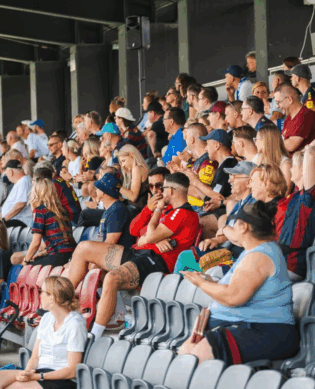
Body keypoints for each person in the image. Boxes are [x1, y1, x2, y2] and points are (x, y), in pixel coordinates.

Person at [67, 173, 200, 338]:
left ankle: (94, 334)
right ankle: (63, 299)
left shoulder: (184, 213)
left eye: (162, 188)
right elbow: (134, 230)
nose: (158, 192)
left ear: (171, 190)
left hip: (155, 261)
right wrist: (149, 211)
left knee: (111, 278)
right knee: (83, 248)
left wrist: (156, 215)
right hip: (139, 252)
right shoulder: (169, 211)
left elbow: (150, 236)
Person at [177, 201, 299, 365]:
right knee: (184, 355)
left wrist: (201, 283)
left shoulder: (260, 255)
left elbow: (233, 297)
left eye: (234, 224)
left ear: (244, 227)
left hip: (266, 331)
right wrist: (210, 281)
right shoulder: (255, 251)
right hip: (249, 326)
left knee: (192, 361)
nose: (231, 228)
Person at [0, 276, 86, 389]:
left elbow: (72, 370)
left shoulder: (75, 323)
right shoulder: (47, 318)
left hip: (62, 380)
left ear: (52, 298)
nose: (39, 295)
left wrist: (37, 377)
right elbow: (35, 357)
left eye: (41, 292)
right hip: (40, 373)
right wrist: (26, 373)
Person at [275, 140, 315, 280]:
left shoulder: (312, 196)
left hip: (291, 265)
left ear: (303, 170)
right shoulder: (294, 196)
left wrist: (310, 147)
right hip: (276, 261)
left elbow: (310, 156)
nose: (290, 169)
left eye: (293, 166)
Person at [20, 179, 76, 267]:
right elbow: (64, 240)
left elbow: (36, 243)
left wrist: (25, 261)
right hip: (72, 254)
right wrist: (44, 253)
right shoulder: (63, 210)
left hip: (58, 256)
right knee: (37, 259)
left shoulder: (40, 211)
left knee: (28, 268)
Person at [275, 83, 315, 155]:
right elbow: (283, 140)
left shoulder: (306, 115)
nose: (277, 106)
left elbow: (291, 145)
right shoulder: (288, 118)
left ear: (289, 99)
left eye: (278, 102)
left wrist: (271, 142)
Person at [1, 160, 33, 228]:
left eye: (6, 172)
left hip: (20, 222)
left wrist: (4, 219)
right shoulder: (20, 181)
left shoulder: (24, 181)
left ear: (10, 172)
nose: (6, 175)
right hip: (13, 221)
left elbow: (20, 204)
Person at [117, 145, 150, 209]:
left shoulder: (137, 168)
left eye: (123, 161)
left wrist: (117, 185)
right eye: (121, 163)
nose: (123, 165)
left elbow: (133, 197)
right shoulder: (139, 168)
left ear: (132, 155)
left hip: (137, 210)